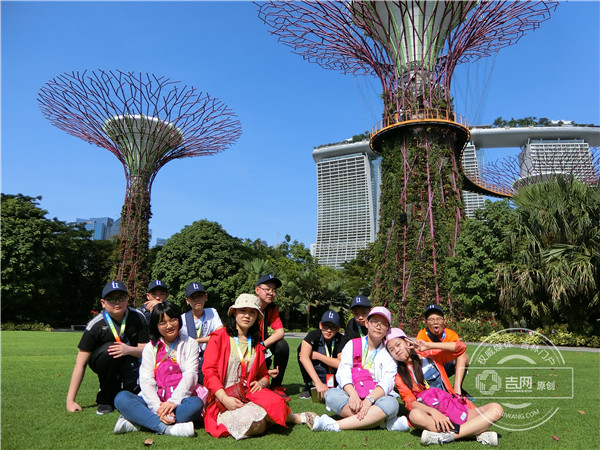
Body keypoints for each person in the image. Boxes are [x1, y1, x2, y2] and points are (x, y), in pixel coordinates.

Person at [202, 293, 310, 439]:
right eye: (243, 311)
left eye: (252, 312)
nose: (247, 316)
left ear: (256, 317)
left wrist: (261, 382)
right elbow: (209, 373)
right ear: (234, 312)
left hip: (249, 396)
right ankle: (284, 419)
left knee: (274, 403)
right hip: (224, 399)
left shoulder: (256, 343)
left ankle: (293, 417)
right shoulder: (219, 337)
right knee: (256, 425)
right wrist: (224, 398)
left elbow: (264, 375)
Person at [385, 327, 503, 446]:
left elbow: (460, 348)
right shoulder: (399, 375)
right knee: (415, 415)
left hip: (456, 407)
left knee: (497, 409)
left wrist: (429, 346)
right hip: (433, 416)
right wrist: (433, 412)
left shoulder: (429, 356)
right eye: (392, 350)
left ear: (407, 341)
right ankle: (475, 432)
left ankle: (447, 436)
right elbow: (409, 402)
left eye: (398, 344)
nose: (397, 350)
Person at [306, 306, 408, 433]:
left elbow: (388, 381)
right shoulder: (352, 344)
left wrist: (369, 400)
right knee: (331, 395)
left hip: (376, 399)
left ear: (388, 328)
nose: (378, 326)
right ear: (366, 323)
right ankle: (381, 421)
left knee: (391, 404)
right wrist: (353, 395)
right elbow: (343, 372)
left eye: (383, 323)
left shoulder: (388, 351)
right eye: (374, 321)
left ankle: (333, 425)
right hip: (352, 395)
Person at [113, 301, 204, 437]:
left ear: (178, 320)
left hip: (179, 401)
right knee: (121, 398)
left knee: (196, 404)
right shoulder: (150, 348)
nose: (169, 326)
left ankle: (139, 423)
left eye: (172, 320)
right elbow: (146, 380)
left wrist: (173, 402)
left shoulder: (190, 343)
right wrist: (158, 408)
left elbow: (190, 375)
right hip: (154, 400)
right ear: (156, 326)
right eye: (162, 323)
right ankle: (167, 428)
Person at [66, 280, 149, 415]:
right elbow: (80, 364)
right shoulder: (95, 325)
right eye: (112, 299)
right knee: (109, 350)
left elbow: (146, 351)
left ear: (127, 299)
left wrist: (128, 350)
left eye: (121, 298)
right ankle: (105, 399)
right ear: (103, 303)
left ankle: (128, 388)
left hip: (132, 360)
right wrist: (70, 401)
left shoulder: (138, 317)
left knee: (131, 396)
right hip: (105, 361)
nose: (117, 302)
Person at [416, 305, 470, 395]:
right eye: (431, 320)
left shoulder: (450, 334)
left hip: (446, 366)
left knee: (463, 355)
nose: (435, 322)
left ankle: (457, 389)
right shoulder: (422, 334)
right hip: (432, 369)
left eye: (439, 319)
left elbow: (460, 347)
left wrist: (429, 345)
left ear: (444, 321)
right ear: (425, 322)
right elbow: (418, 353)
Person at [297, 310, 348, 400]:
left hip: (334, 374)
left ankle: (337, 385)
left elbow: (340, 363)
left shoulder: (341, 339)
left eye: (333, 327)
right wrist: (318, 383)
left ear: (338, 328)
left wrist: (317, 356)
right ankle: (308, 384)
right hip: (318, 370)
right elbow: (303, 357)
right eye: (326, 326)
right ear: (320, 325)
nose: (328, 330)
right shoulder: (314, 335)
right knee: (301, 350)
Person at [179, 281, 223, 384]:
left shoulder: (212, 312)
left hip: (211, 359)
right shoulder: (183, 319)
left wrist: (197, 341)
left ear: (205, 296)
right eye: (193, 297)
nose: (197, 300)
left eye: (199, 296)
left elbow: (220, 334)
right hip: (191, 362)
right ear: (187, 300)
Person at [254, 274, 289, 398]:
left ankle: (276, 386)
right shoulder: (249, 305)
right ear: (257, 290)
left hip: (260, 344)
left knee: (282, 345)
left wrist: (262, 345)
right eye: (267, 289)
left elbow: (280, 332)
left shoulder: (271, 308)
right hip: (246, 344)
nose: (271, 293)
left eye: (274, 290)